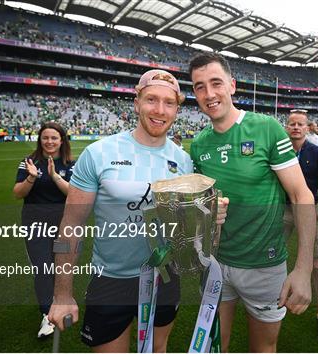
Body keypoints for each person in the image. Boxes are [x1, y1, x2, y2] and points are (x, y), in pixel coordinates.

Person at [47, 69, 227, 352]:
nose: (159, 110)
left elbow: (183, 228)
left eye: (169, 103)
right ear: (136, 103)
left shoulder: (183, 161)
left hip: (165, 278)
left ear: (177, 109)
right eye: (151, 100)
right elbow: (70, 225)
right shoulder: (99, 153)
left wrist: (211, 216)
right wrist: (61, 294)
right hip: (111, 280)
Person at [188, 53, 316, 353]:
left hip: (264, 266)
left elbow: (301, 195)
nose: (209, 94)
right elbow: (201, 205)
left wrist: (303, 270)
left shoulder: (267, 128)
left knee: (263, 348)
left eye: (216, 83)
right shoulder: (199, 144)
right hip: (216, 262)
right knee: (215, 344)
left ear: (231, 85)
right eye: (199, 87)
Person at [12, 122, 75, 338]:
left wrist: (55, 175)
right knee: (42, 267)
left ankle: (62, 302)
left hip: (63, 223)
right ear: (40, 140)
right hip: (35, 223)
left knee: (61, 266)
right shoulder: (28, 162)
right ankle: (47, 314)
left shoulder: (71, 164)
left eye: (54, 138)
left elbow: (72, 194)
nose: (49, 142)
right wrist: (32, 177)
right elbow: (18, 193)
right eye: (45, 138)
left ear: (61, 140)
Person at [284, 111, 318, 346]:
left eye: (300, 124)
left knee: (316, 263)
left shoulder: (316, 153)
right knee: (271, 256)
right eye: (292, 124)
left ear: (308, 128)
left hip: (309, 210)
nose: (296, 127)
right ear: (287, 127)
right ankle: (271, 300)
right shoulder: (280, 150)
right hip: (282, 210)